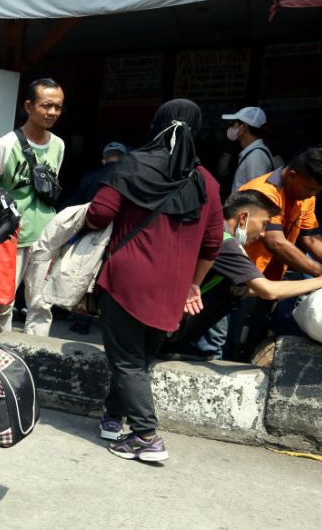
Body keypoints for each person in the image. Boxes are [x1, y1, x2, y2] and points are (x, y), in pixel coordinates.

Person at [87, 99, 224, 463]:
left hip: (127, 278)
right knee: (139, 357)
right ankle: (113, 417)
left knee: (127, 360)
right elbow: (213, 244)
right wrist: (193, 285)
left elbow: (100, 213)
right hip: (174, 287)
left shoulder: (133, 164)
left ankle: (146, 436)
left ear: (156, 125)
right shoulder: (207, 181)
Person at [162, 190, 322, 360]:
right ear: (243, 217)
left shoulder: (213, 232)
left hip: (163, 318)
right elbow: (268, 290)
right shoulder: (225, 243)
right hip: (166, 325)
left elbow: (249, 290)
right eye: (264, 224)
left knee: (236, 290)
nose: (263, 233)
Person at [230, 148, 322, 356]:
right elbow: (275, 242)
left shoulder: (305, 195)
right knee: (228, 338)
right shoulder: (263, 192)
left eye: (317, 192)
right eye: (310, 189)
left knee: (255, 338)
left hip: (273, 280)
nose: (312, 195)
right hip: (243, 278)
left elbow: (310, 237)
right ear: (293, 175)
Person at [0, 77, 65, 335]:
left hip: (46, 236)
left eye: (58, 107)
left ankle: (35, 358)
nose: (52, 112)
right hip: (10, 238)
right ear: (29, 106)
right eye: (46, 105)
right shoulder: (6, 145)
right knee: (1, 301)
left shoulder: (58, 145)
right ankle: (0, 354)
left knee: (41, 304)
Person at [222, 106, 274, 194]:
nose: (231, 127)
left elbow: (257, 196)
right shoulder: (252, 153)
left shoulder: (256, 157)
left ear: (244, 128)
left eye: (234, 123)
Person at [63, 141, 126, 207]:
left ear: (103, 161)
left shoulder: (89, 178)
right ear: (125, 161)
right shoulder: (130, 180)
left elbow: (75, 202)